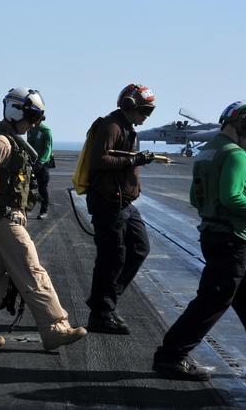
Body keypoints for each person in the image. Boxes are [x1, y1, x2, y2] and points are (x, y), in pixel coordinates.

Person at [153, 101, 246, 381]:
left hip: (220, 234)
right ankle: (170, 356)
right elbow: (233, 198)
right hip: (232, 237)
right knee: (213, 299)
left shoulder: (207, 151)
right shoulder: (235, 154)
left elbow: (194, 198)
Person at [0, 88, 86, 351]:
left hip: (2, 216)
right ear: (16, 112)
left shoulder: (12, 141)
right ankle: (55, 328)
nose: (34, 124)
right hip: (4, 216)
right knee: (31, 269)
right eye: (32, 117)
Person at [85, 83, 156, 335]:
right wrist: (133, 160)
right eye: (145, 110)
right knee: (112, 256)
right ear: (129, 105)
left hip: (123, 202)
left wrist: (136, 162)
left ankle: (104, 302)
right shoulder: (112, 125)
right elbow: (99, 159)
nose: (147, 115)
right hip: (108, 202)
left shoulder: (127, 128)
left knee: (139, 248)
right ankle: (101, 313)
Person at [27, 115, 53, 220]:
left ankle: (44, 211)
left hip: (42, 165)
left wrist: (40, 162)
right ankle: (25, 208)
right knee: (26, 187)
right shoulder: (30, 130)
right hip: (31, 163)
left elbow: (48, 149)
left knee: (43, 189)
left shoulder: (46, 131)